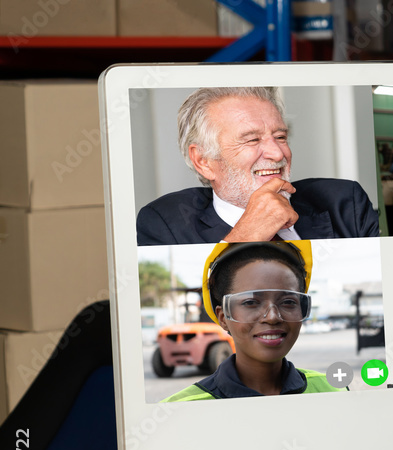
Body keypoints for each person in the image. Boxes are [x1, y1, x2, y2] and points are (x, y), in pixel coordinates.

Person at [137, 87, 380, 246]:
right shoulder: (164, 225)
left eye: (281, 137)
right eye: (252, 140)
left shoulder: (345, 202)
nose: (277, 153)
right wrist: (246, 236)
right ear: (204, 161)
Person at [162, 241, 339, 401]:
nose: (272, 317)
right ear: (223, 318)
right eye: (251, 302)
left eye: (287, 302)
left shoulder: (333, 391)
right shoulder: (180, 408)